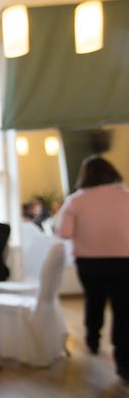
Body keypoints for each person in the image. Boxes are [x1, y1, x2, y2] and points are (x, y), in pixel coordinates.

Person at [57, 156, 129, 382]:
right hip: (124, 260)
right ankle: (124, 361)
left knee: (94, 299)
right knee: (124, 310)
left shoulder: (76, 200)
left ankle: (93, 339)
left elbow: (64, 233)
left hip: (90, 261)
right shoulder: (126, 196)